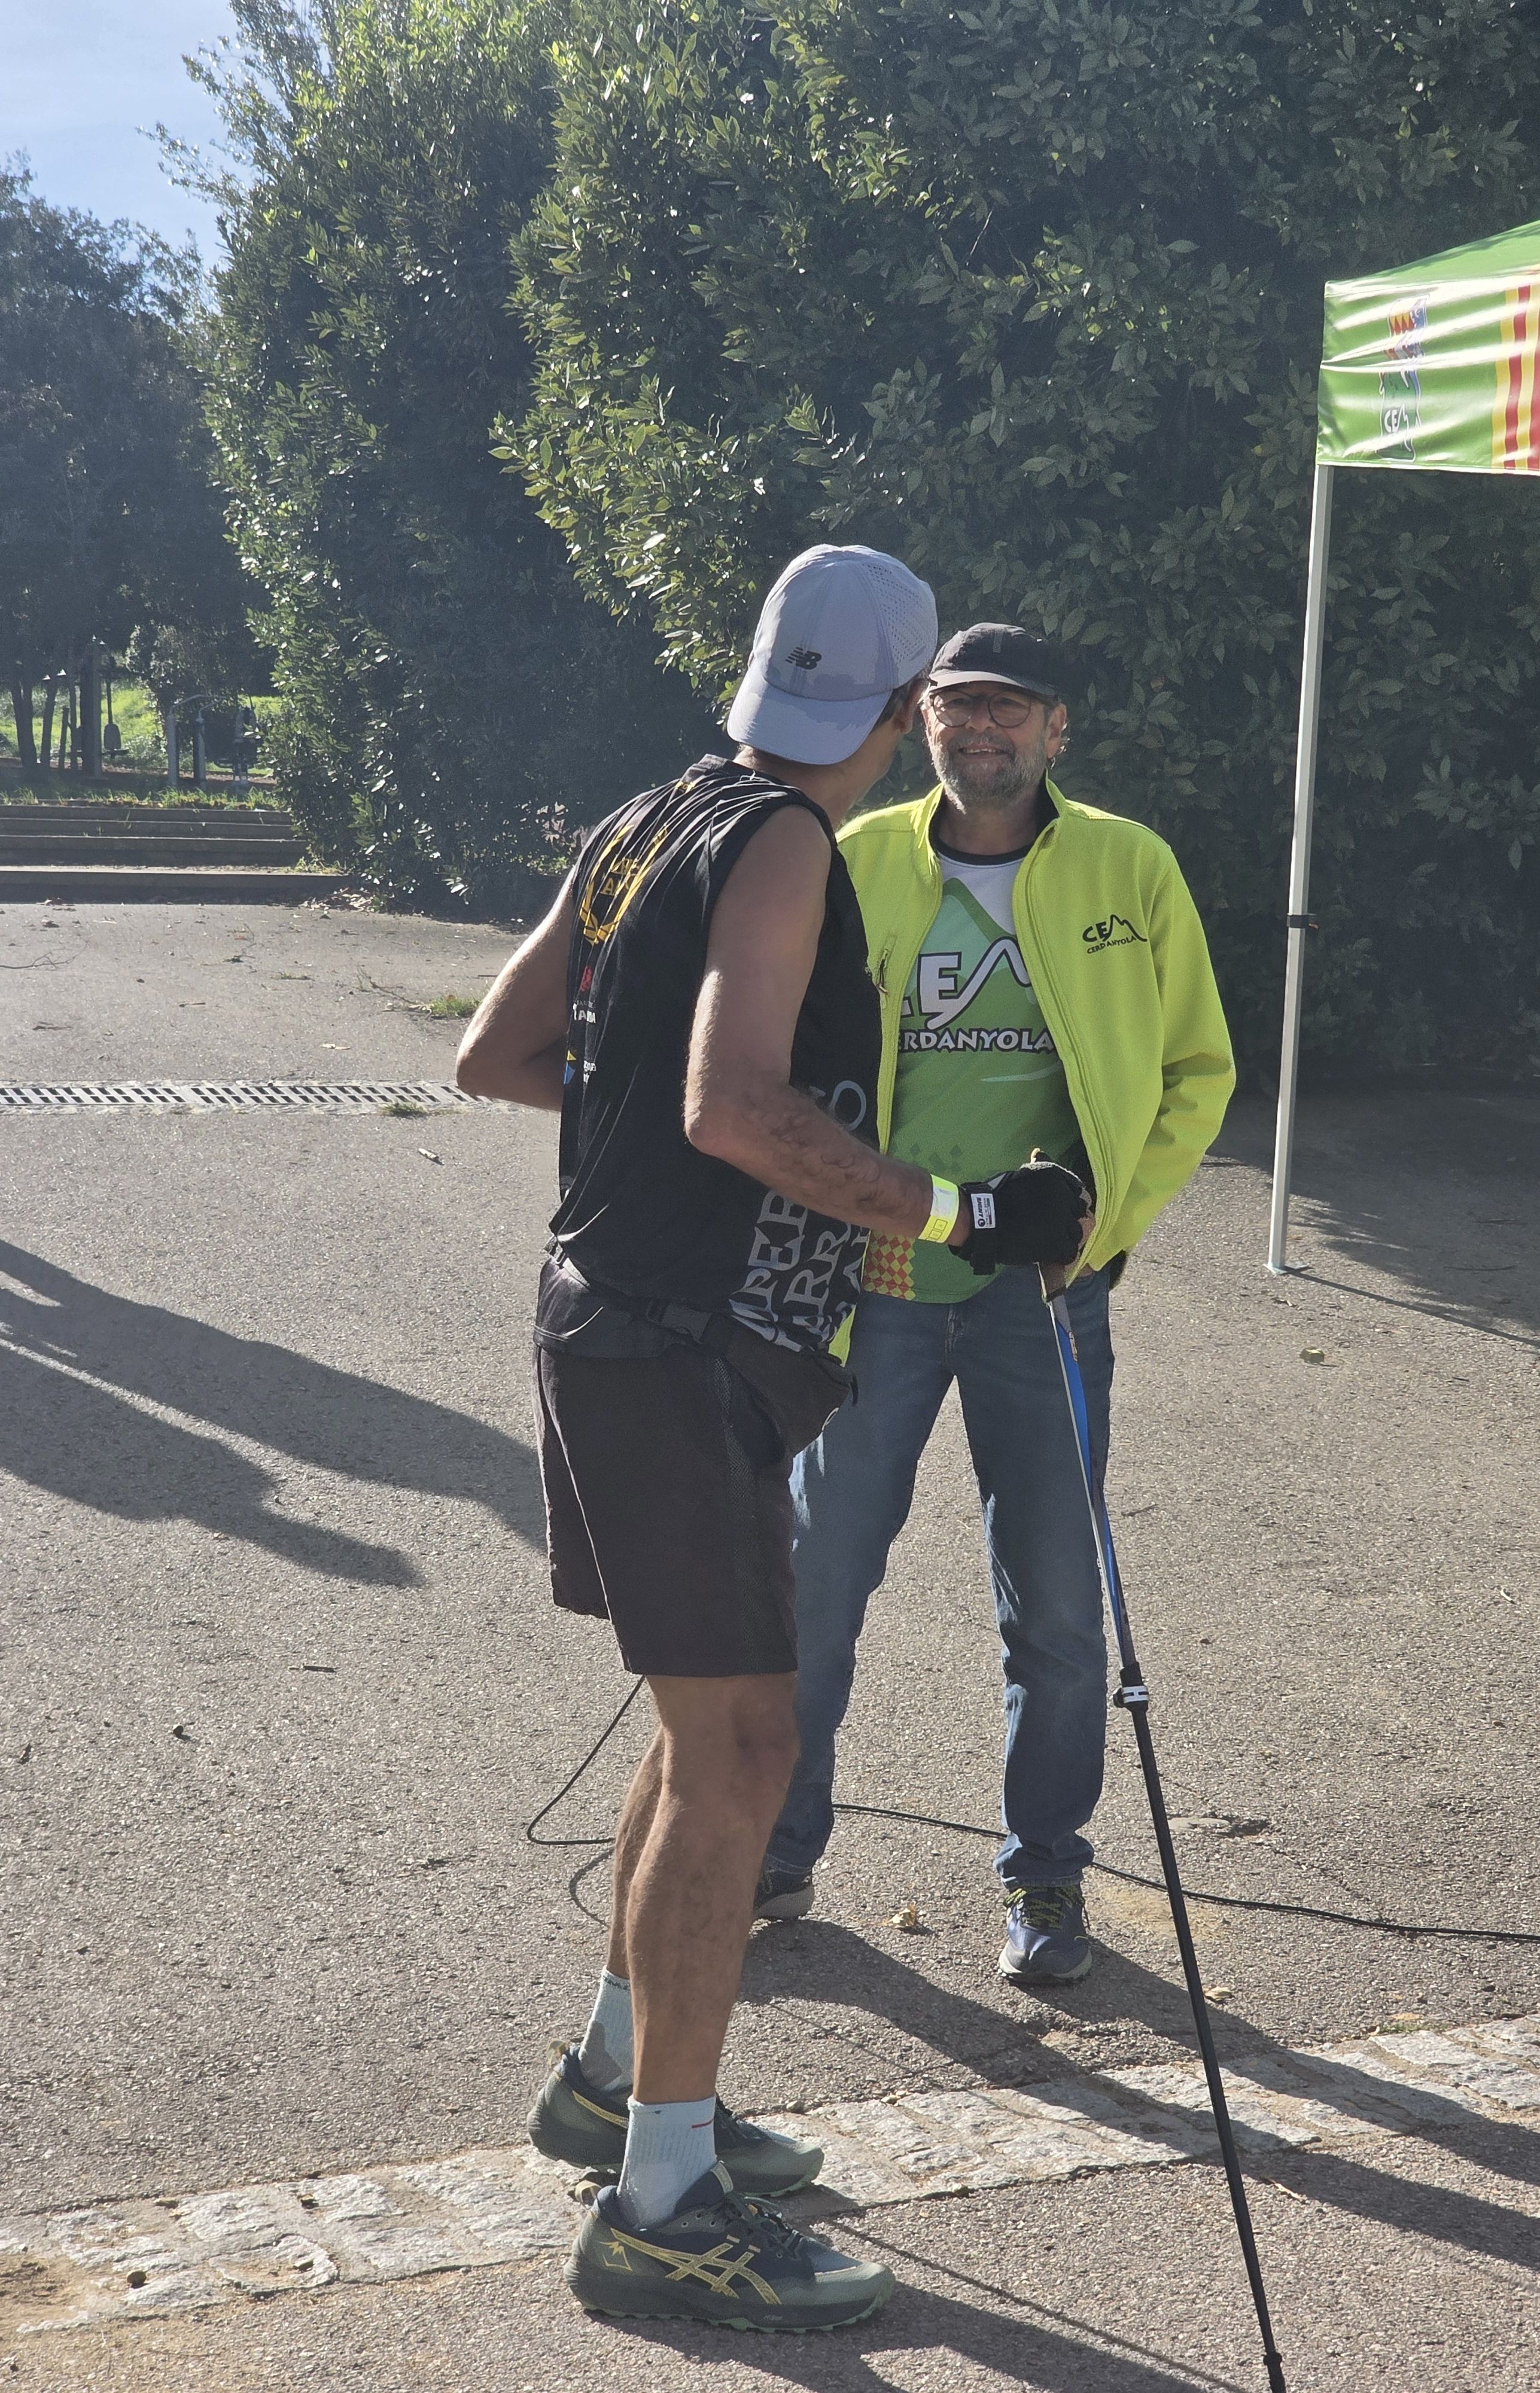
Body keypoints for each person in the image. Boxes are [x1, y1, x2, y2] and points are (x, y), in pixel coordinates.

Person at [454, 553, 1088, 2332]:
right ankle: (662, 2203)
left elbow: (503, 1055)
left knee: (700, 1732)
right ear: (897, 714)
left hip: (617, 1323)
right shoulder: (794, 844)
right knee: (743, 1749)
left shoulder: (653, 816)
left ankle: (615, 2085)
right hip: (675, 1351)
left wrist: (659, 1129)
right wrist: (964, 1205)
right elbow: (731, 1106)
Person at [755, 621, 1236, 1986]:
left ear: (1057, 729)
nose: (983, 731)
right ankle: (779, 1846)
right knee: (817, 1584)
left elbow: (1198, 1068)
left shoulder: (1127, 867)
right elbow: (785, 1065)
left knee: (1061, 1611)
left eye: (1009, 710)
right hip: (879, 1292)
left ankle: (1047, 1877)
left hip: (1044, 1300)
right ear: (921, 722)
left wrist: (1104, 1226)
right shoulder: (852, 861)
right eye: (959, 708)